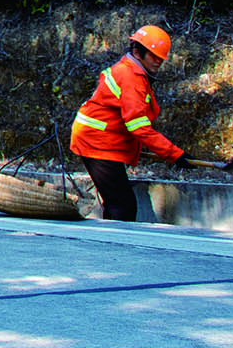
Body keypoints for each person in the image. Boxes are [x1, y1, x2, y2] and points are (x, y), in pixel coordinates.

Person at [69, 24, 189, 221]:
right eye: (153, 55)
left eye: (161, 57)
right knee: (122, 206)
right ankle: (115, 248)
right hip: (96, 142)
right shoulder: (130, 77)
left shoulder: (135, 73)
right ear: (137, 52)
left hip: (101, 140)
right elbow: (139, 127)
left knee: (118, 203)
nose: (158, 61)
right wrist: (174, 154)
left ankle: (111, 245)